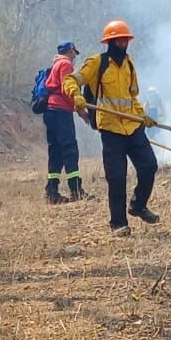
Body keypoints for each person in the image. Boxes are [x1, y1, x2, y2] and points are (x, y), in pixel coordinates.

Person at [62, 20, 160, 237]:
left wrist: (142, 115)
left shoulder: (129, 64)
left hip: (133, 125)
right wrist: (76, 96)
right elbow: (70, 80)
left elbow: (131, 96)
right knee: (116, 176)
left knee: (149, 166)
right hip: (111, 129)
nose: (124, 43)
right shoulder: (98, 62)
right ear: (110, 42)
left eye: (126, 39)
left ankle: (138, 205)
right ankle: (118, 223)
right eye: (119, 40)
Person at [42, 41, 93, 204]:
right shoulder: (65, 64)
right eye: (74, 53)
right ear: (70, 51)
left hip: (51, 111)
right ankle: (76, 190)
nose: (75, 57)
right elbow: (68, 89)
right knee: (70, 149)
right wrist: (82, 111)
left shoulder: (56, 64)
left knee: (55, 150)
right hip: (61, 112)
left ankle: (52, 191)